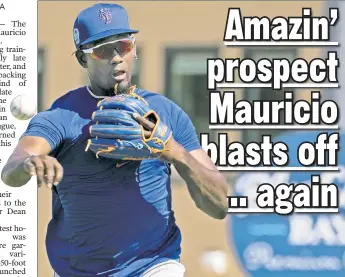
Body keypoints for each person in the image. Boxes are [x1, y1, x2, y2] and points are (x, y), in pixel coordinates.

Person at [1, 3, 228, 277]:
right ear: (83, 60)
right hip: (77, 270)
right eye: (102, 49)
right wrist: (30, 162)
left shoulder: (165, 112)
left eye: (123, 45)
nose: (117, 57)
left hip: (154, 264)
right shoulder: (61, 116)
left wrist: (174, 151)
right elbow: (11, 169)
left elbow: (219, 205)